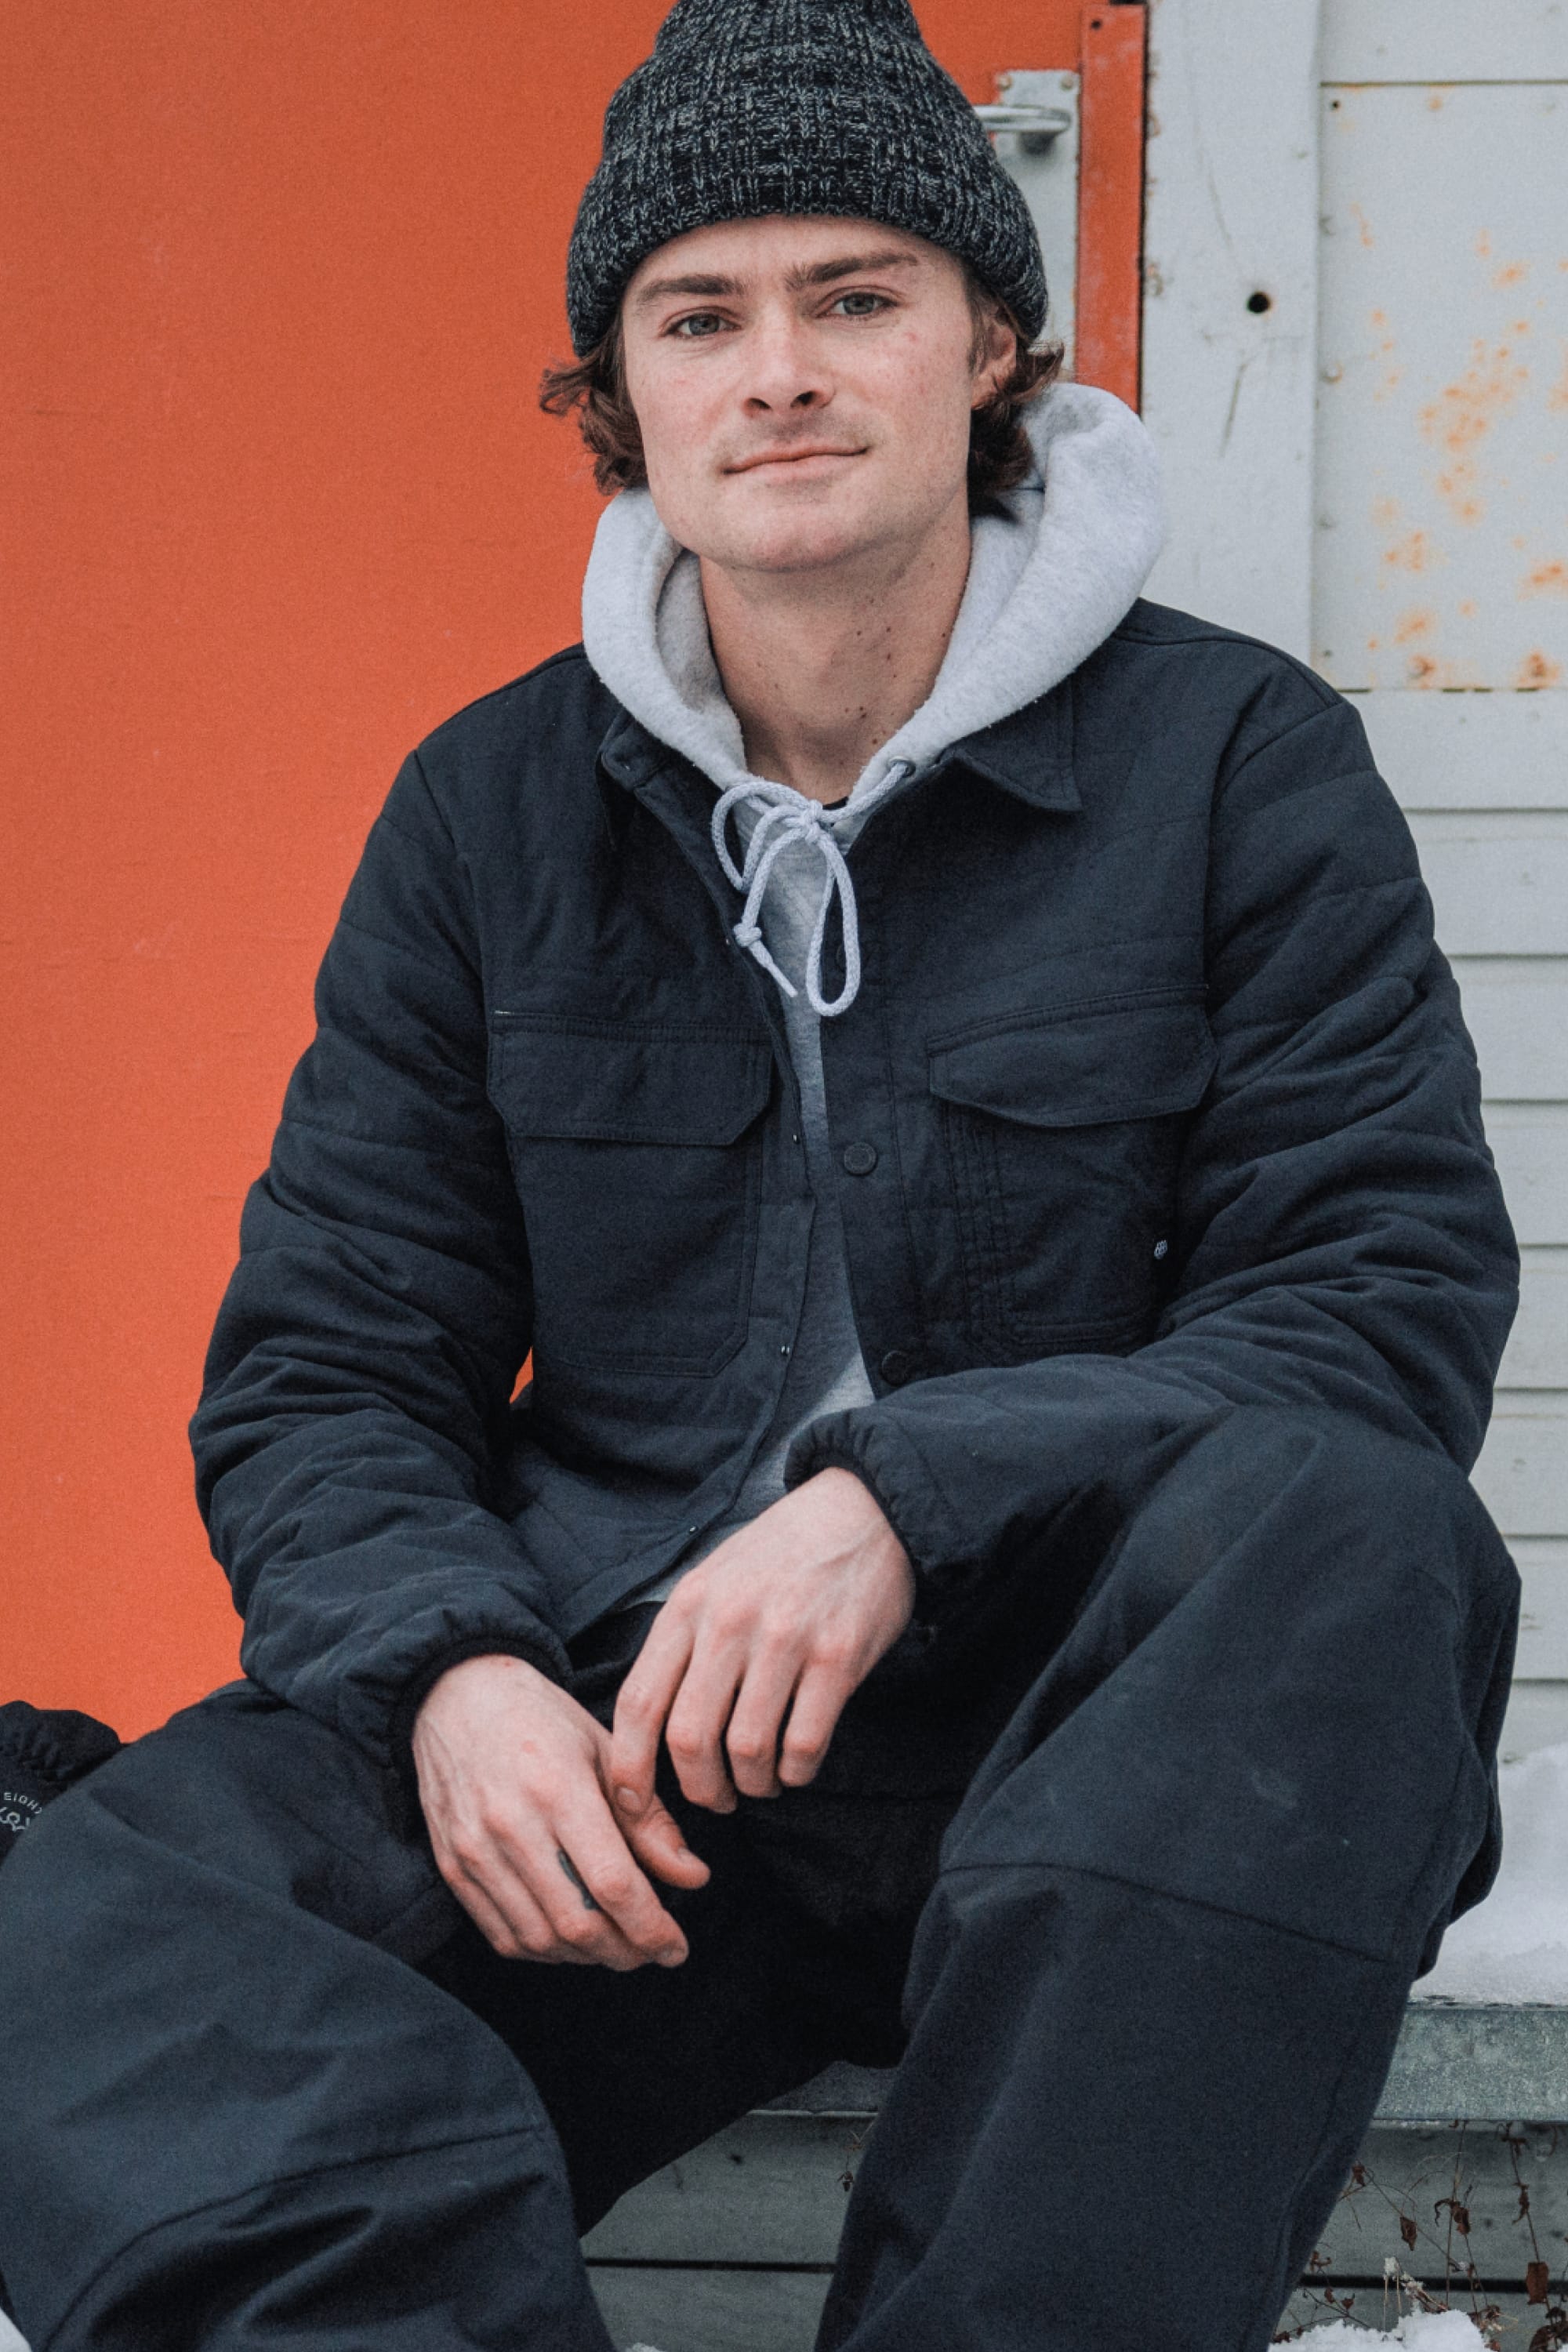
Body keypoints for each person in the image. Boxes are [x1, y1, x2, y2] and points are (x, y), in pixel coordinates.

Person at [0, 2, 1522, 2346]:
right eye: (699, 317)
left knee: (1363, 1534)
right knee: (79, 1908)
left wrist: (902, 1503)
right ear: (623, 400)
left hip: (1106, 1771)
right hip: (631, 1778)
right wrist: (453, 1675)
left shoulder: (1236, 759)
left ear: (986, 344)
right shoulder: (490, 814)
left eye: (855, 296)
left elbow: (1376, 1301)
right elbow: (329, 1371)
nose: (779, 373)